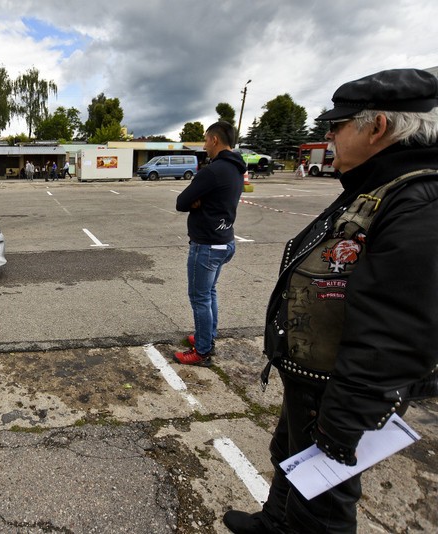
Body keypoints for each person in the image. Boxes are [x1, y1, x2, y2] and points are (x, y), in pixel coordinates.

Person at [223, 68, 438, 534]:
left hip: (342, 390)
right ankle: (274, 523)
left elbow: (398, 332)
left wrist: (342, 426)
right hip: (317, 380)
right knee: (291, 459)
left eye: (338, 126)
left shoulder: (419, 200)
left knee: (323, 504)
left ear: (376, 126)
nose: (329, 134)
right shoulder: (377, 184)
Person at [174, 121, 246, 366]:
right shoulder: (236, 168)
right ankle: (207, 336)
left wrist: (197, 200)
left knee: (200, 297)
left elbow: (182, 202)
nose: (204, 145)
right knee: (209, 293)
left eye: (205, 140)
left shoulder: (213, 171)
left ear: (215, 140)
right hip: (225, 241)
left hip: (206, 245)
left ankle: (203, 351)